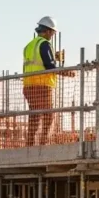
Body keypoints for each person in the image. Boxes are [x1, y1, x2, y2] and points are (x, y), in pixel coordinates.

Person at [22, 16, 75, 146]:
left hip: (29, 85)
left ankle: (30, 144)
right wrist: (68, 72)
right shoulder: (44, 44)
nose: (52, 35)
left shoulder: (30, 45)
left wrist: (53, 56)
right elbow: (49, 67)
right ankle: (43, 144)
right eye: (52, 32)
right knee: (48, 116)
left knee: (34, 116)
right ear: (47, 31)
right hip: (43, 85)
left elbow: (38, 61)